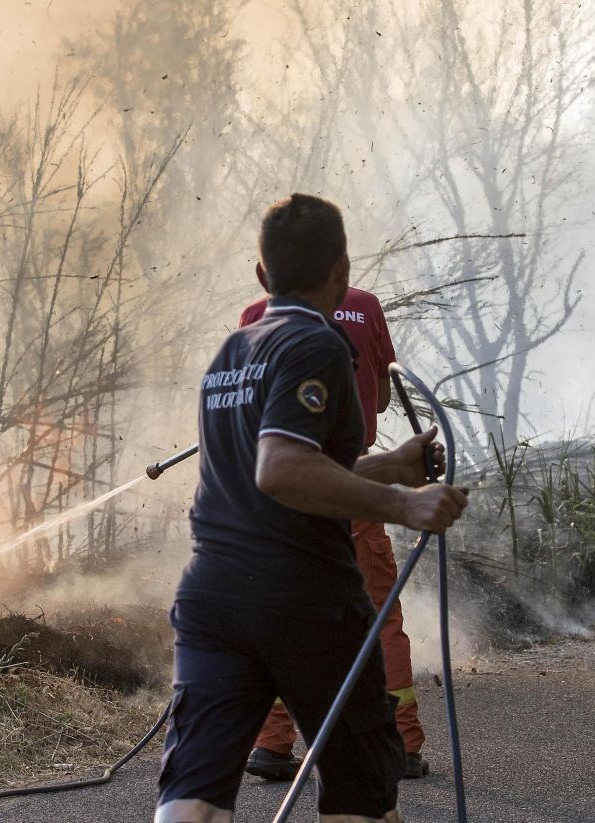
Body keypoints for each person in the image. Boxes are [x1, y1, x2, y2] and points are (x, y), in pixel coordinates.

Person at [155, 194, 467, 823]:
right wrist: (404, 504)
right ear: (342, 271)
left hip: (214, 602)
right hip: (303, 598)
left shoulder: (231, 354)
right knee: (361, 790)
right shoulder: (317, 343)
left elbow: (272, 471)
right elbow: (284, 471)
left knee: (195, 798)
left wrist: (391, 467)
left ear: (262, 276)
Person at [239, 287, 430, 782]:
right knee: (379, 617)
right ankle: (400, 744)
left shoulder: (257, 313)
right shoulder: (364, 307)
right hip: (353, 483)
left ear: (269, 268)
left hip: (287, 493)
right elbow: (384, 395)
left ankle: (272, 744)